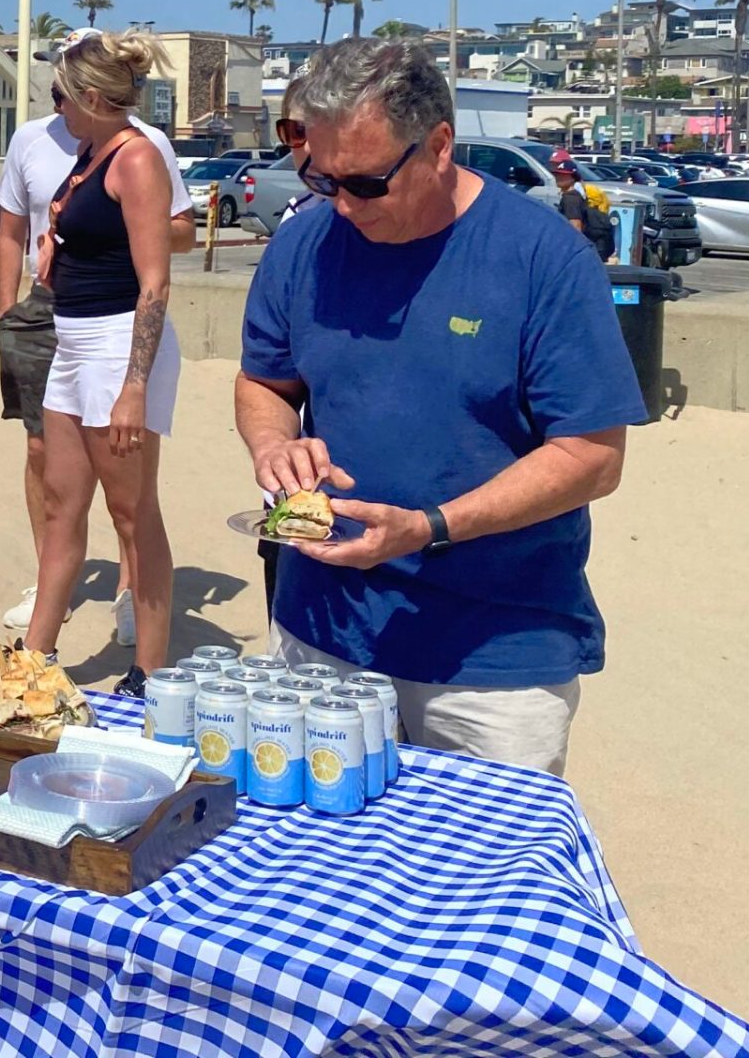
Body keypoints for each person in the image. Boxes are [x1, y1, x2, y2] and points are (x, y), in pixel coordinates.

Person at [234, 38, 643, 775]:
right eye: (323, 180)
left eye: (364, 183)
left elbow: (592, 458)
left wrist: (429, 529)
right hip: (321, 632)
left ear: (440, 145)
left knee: (489, 881)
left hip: (494, 660)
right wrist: (273, 445)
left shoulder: (543, 260)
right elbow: (266, 382)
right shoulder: (302, 245)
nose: (343, 204)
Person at [0, 43, 196, 645]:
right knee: (62, 506)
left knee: (132, 515)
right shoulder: (90, 153)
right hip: (72, 342)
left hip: (116, 345)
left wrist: (134, 387)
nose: (54, 108)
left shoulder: (135, 158)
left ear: (88, 97)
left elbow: (155, 282)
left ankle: (150, 670)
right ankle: (36, 655)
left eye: (60, 95)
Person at [551, 150, 618, 261]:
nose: (559, 177)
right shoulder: (578, 194)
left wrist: (571, 255)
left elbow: (575, 228)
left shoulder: (570, 198)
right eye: (557, 174)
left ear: (573, 177)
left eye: (564, 175)